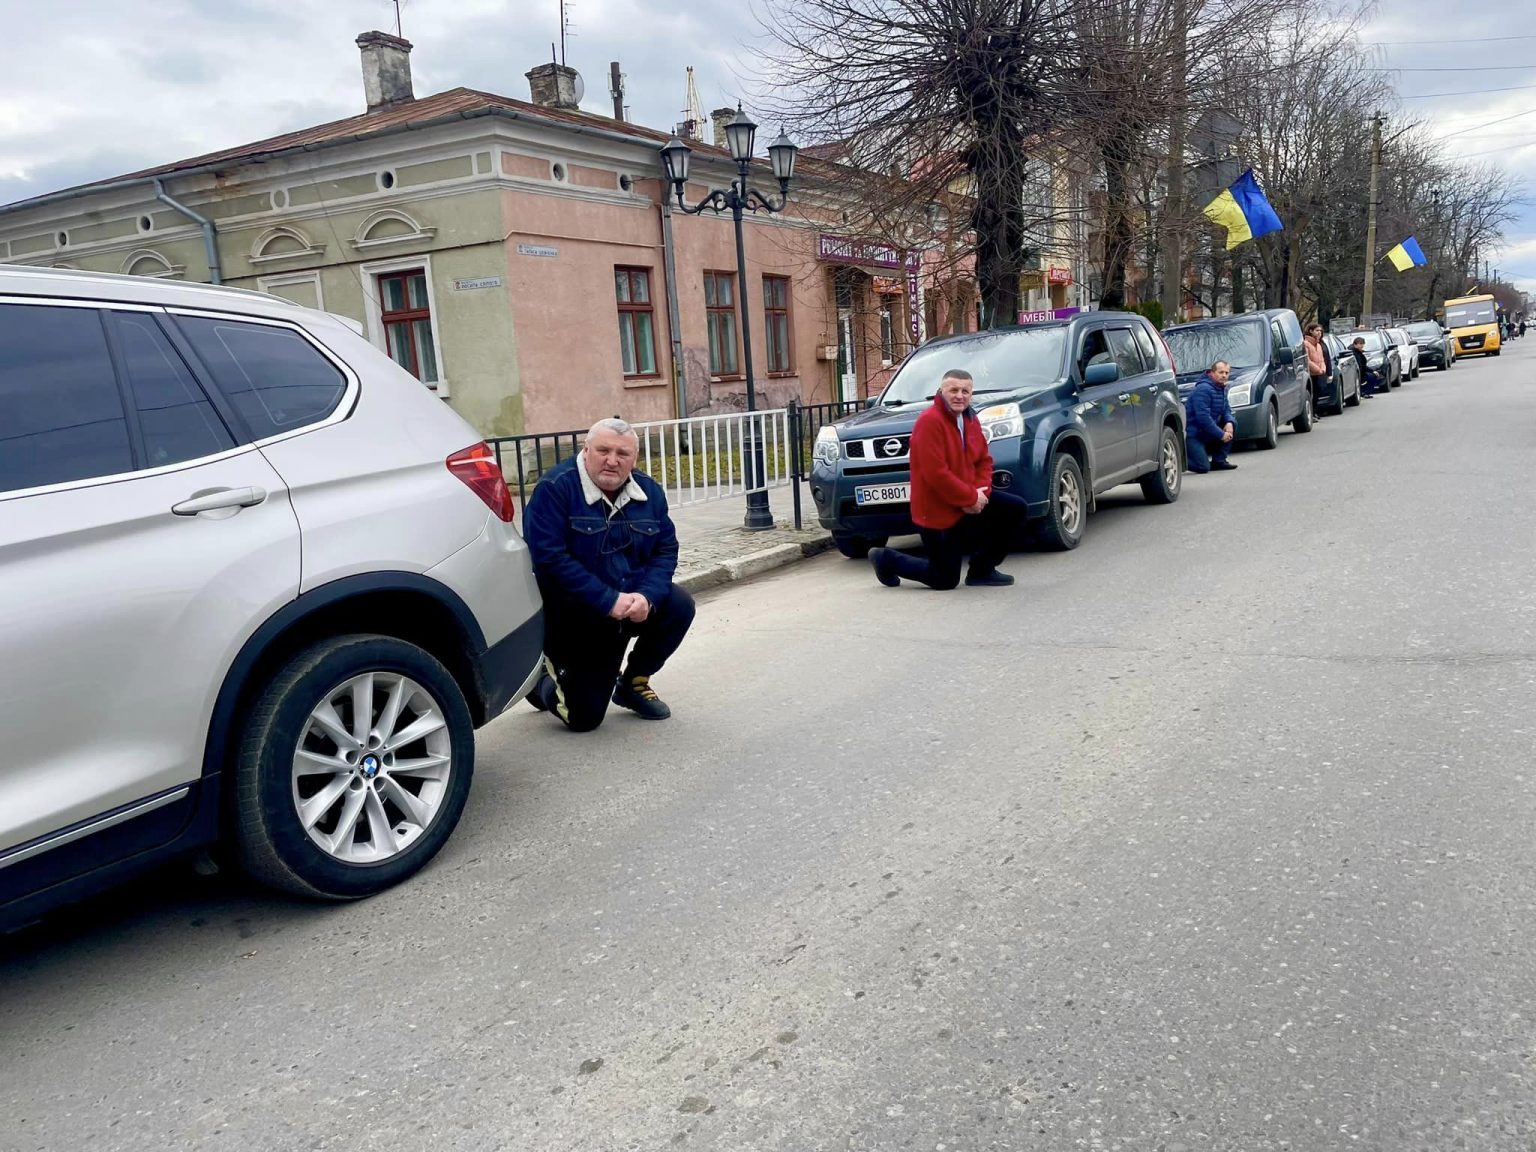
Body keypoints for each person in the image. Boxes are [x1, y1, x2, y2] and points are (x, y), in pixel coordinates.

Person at [522, 417, 695, 730]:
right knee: (582, 719)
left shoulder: (649, 492)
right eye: (603, 450)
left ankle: (633, 684)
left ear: (634, 458)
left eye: (622, 453)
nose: (612, 461)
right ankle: (541, 681)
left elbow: (665, 550)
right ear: (586, 450)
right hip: (576, 616)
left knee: (679, 605)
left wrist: (647, 597)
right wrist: (607, 600)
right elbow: (549, 559)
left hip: (627, 605)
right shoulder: (555, 489)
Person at [869, 368, 1028, 590]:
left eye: (965, 391)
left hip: (967, 499)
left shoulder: (970, 419)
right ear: (941, 391)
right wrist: (969, 498)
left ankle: (982, 570)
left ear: (971, 394)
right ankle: (885, 558)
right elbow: (935, 473)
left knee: (1015, 509)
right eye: (954, 390)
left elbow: (984, 460)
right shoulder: (929, 422)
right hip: (937, 509)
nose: (960, 396)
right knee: (944, 579)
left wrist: (980, 493)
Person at [1184, 360, 1238, 473]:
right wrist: (1221, 434)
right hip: (1194, 435)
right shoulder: (1203, 389)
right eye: (1221, 372)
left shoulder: (1220, 388)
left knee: (1232, 424)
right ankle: (1178, 462)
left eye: (1226, 373)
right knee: (1203, 468)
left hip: (1207, 432)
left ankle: (1219, 461)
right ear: (1212, 373)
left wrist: (1229, 422)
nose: (1224, 375)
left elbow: (1226, 410)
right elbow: (1203, 418)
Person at [1303, 324, 1330, 418]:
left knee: (1317, 393)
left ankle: (1314, 412)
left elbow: (1322, 359)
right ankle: (1311, 413)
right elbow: (1307, 360)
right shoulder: (1306, 344)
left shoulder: (1318, 345)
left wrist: (1323, 368)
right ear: (1311, 331)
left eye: (1320, 331)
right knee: (1311, 394)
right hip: (1311, 374)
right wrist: (1318, 369)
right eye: (1317, 330)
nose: (1319, 333)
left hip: (1319, 373)